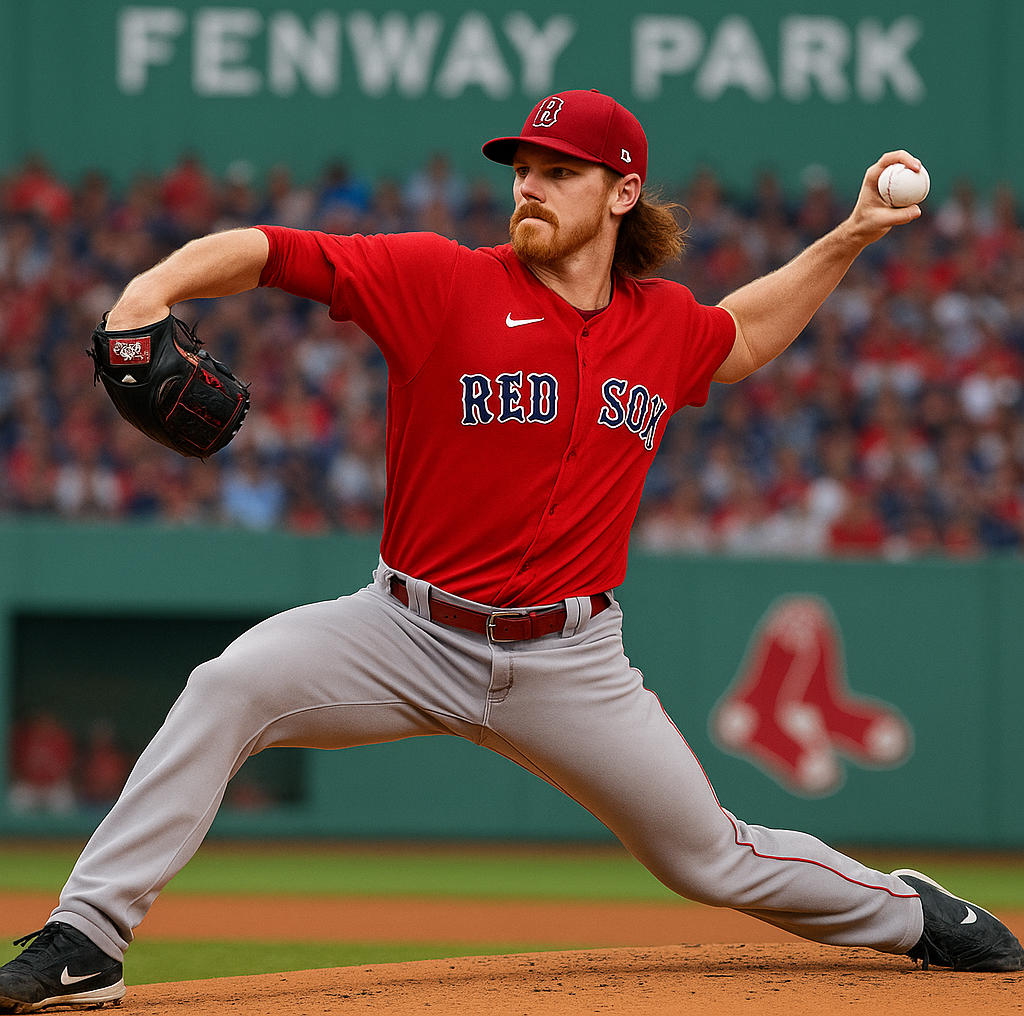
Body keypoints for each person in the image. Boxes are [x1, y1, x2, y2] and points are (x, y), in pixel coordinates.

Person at [1, 89, 1020, 1013]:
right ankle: (88, 935)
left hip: (569, 661)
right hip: (400, 626)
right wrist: (146, 291)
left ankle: (911, 912)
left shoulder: (659, 323)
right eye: (522, 170)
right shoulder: (440, 279)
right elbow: (272, 251)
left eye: (558, 172)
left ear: (622, 193)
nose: (528, 187)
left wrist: (848, 235)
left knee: (711, 858)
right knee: (229, 686)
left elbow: (741, 336)